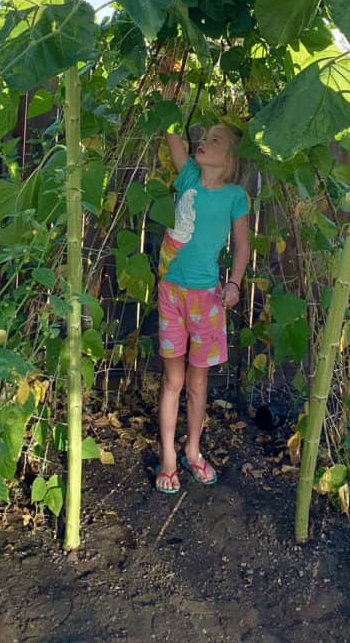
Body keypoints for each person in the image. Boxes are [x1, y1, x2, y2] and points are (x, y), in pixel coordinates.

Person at [155, 123, 249, 493]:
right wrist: (168, 80)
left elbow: (241, 246)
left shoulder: (235, 196)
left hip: (207, 299)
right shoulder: (189, 175)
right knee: (172, 381)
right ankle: (167, 458)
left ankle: (192, 451)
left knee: (197, 382)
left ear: (228, 159)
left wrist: (234, 284)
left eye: (214, 141)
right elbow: (171, 132)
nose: (203, 143)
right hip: (171, 293)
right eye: (204, 137)